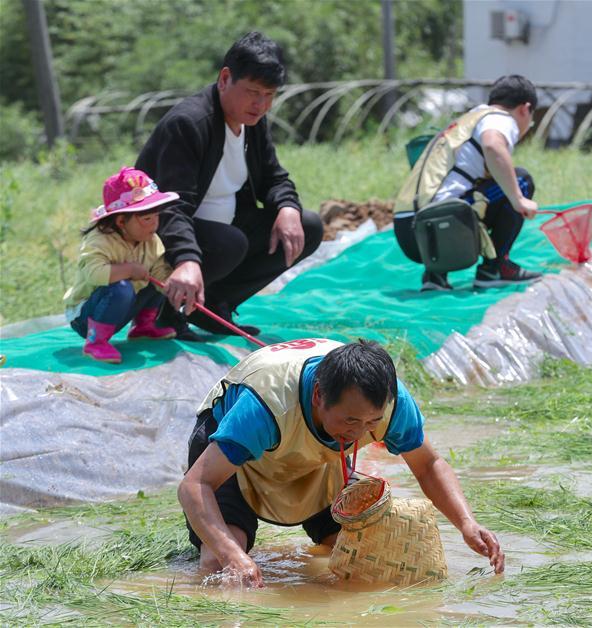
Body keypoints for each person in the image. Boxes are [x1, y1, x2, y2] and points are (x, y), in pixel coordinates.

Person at [179, 338, 504, 586]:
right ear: (319, 396)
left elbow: (429, 464)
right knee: (223, 566)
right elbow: (195, 485)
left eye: (372, 422)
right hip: (237, 456)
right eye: (351, 421)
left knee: (360, 554)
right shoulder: (264, 407)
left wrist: (466, 523)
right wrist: (235, 557)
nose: (363, 431)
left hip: (315, 457)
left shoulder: (390, 403)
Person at [136, 32, 323, 341]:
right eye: (252, 92)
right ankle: (164, 313)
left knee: (307, 225)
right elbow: (169, 206)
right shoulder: (189, 124)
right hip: (162, 237)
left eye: (269, 95)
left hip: (223, 229)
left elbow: (273, 178)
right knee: (229, 242)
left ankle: (214, 305)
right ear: (225, 79)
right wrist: (186, 259)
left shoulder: (253, 122)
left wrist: (288, 208)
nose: (261, 104)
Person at [393, 75, 542, 292]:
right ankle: (495, 268)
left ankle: (435, 275)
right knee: (521, 180)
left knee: (466, 186)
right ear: (525, 109)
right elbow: (493, 145)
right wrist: (519, 199)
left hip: (408, 233)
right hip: (440, 225)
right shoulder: (500, 118)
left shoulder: (466, 121)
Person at [63, 167, 179, 364]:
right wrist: (130, 270)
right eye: (147, 219)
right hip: (87, 316)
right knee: (121, 288)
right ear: (121, 221)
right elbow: (94, 274)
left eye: (156, 217)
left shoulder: (151, 240)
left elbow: (159, 269)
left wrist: (171, 285)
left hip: (122, 308)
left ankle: (142, 327)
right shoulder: (99, 241)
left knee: (156, 282)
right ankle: (95, 342)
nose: (154, 225)